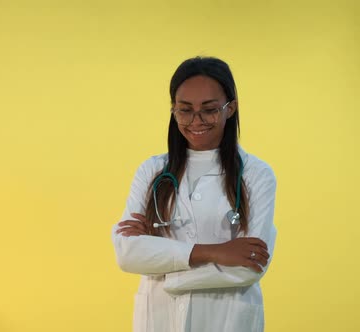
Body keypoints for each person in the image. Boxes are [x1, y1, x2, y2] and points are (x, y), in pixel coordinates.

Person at [112, 56, 277, 332]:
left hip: (226, 319)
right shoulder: (152, 171)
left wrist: (168, 273)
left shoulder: (256, 174)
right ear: (173, 110)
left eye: (209, 109)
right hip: (159, 317)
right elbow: (128, 254)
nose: (196, 121)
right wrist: (216, 252)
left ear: (231, 108)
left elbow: (248, 267)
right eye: (184, 110)